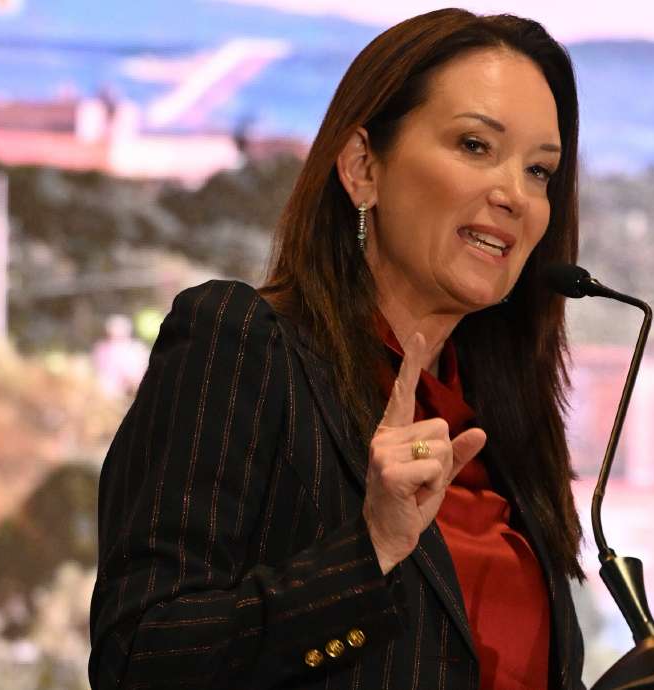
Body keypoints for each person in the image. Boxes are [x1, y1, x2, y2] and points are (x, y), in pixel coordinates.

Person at [89, 9, 586, 689]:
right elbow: (139, 659)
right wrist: (371, 549)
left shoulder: (500, 430)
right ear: (361, 168)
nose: (514, 196)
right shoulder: (245, 345)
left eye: (539, 171)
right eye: (475, 145)